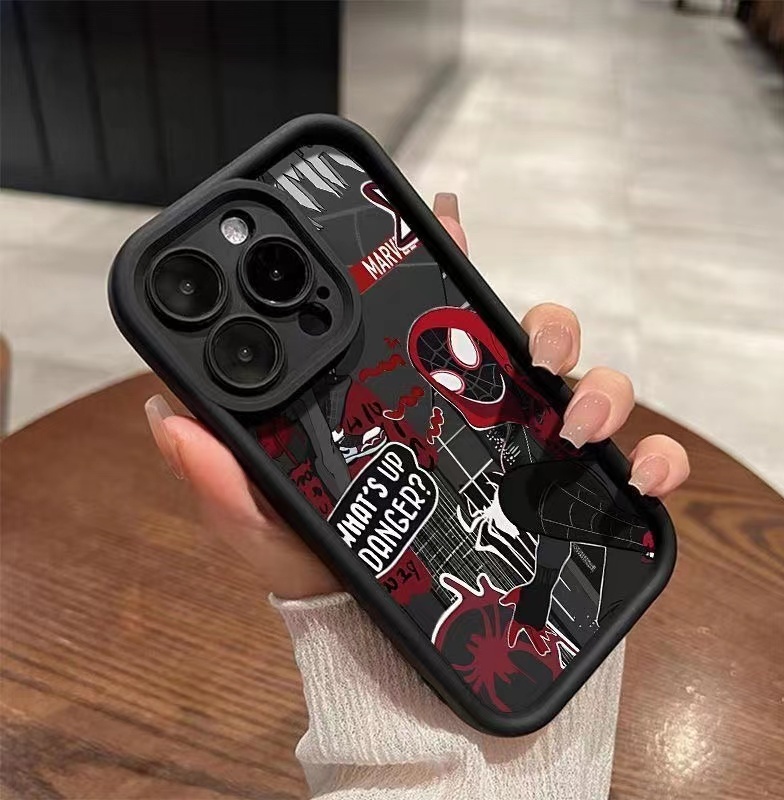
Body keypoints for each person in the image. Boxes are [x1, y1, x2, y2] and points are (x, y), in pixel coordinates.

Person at [144, 193, 690, 800]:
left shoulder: (506, 432)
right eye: (447, 370)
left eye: (462, 356)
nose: (466, 376)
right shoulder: (449, 445)